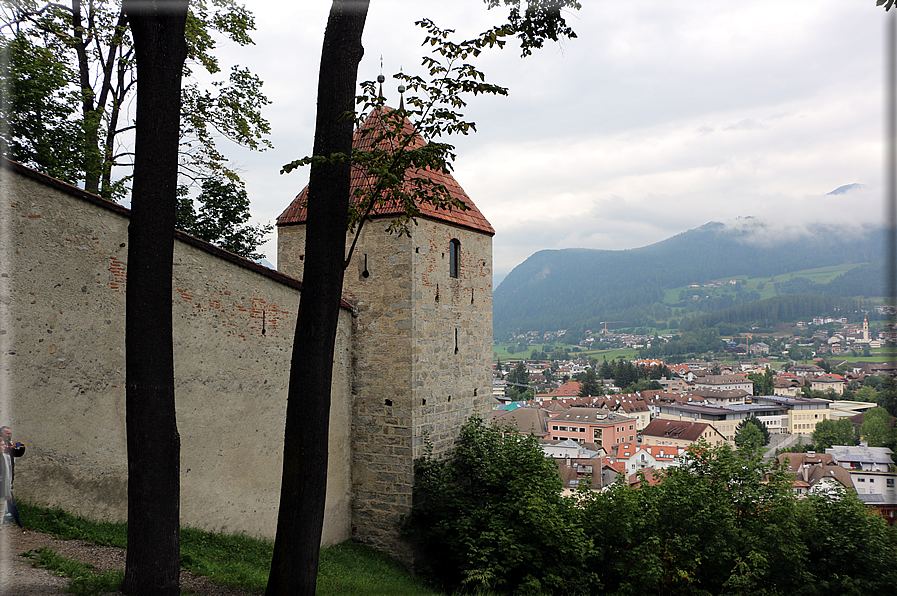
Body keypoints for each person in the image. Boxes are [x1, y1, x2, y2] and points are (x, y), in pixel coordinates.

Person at [0, 426, 24, 522]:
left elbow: (15, 453)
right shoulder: (3, 444)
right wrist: (10, 447)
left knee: (8, 495)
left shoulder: (9, 443)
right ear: (1, 433)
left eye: (10, 433)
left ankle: (6, 515)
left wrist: (21, 448)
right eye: (7, 433)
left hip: (8, 473)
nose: (9, 435)